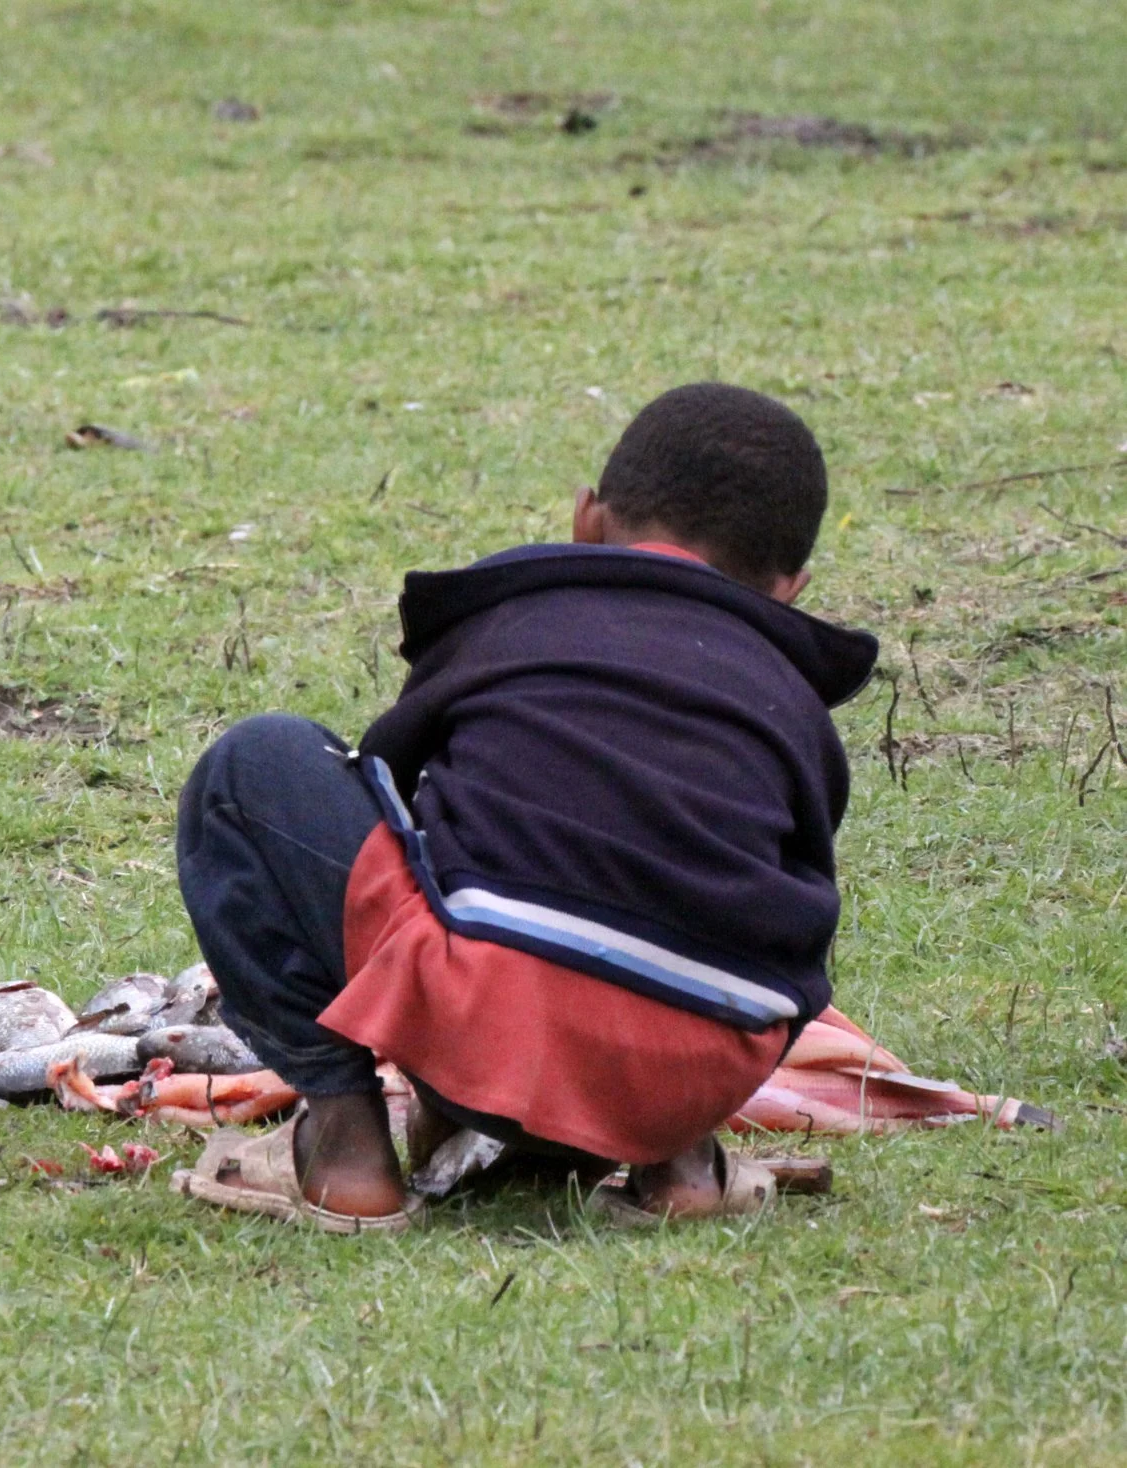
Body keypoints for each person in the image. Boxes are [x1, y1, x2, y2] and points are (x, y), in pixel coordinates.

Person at [171, 383, 878, 1231]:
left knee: (259, 764)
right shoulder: (795, 702)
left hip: (485, 1037)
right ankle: (683, 1170)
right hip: (688, 1079)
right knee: (693, 898)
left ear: (586, 519)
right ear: (790, 587)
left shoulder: (511, 617)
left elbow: (391, 804)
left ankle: (344, 1150)